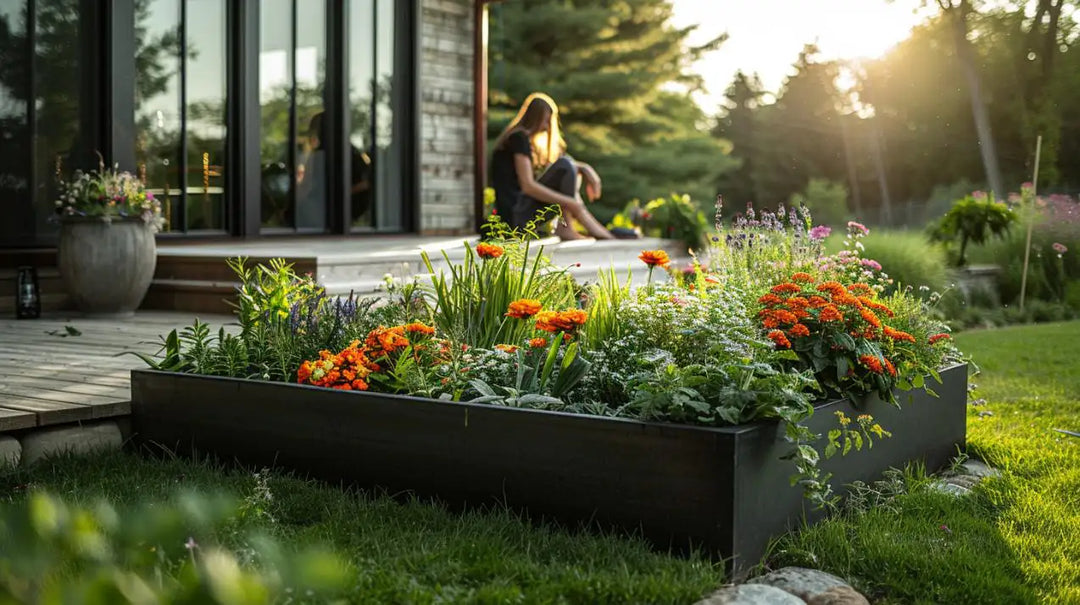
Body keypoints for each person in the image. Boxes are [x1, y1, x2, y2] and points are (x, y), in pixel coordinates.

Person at [489, 93, 613, 240]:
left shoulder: (521, 140)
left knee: (567, 164)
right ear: (535, 118)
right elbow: (528, 186)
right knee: (566, 165)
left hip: (519, 213)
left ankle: (575, 228)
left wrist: (585, 168)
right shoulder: (518, 138)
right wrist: (571, 203)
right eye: (546, 121)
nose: (547, 127)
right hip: (515, 215)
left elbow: (561, 167)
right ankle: (566, 228)